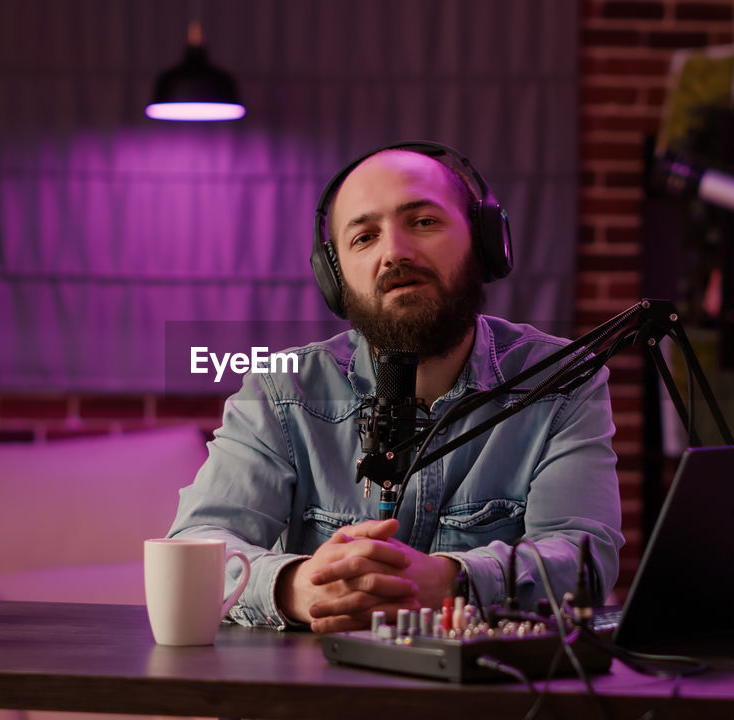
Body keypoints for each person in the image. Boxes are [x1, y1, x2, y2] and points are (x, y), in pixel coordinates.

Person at [168, 142, 623, 634]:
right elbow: (198, 543)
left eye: (424, 222)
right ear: (335, 277)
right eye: (364, 237)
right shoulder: (282, 392)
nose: (396, 253)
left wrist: (455, 581)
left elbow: (582, 553)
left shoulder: (562, 379)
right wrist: (297, 587)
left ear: (484, 242)